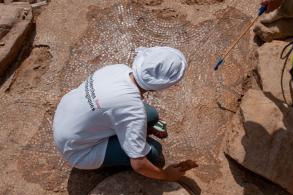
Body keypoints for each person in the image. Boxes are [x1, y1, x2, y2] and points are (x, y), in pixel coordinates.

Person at [53, 46, 198, 181]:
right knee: (154, 152)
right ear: (158, 88)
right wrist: (166, 175)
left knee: (151, 115)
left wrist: (140, 127)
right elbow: (139, 164)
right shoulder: (133, 111)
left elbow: (124, 109)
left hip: (65, 119)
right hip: (78, 151)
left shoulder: (119, 69)